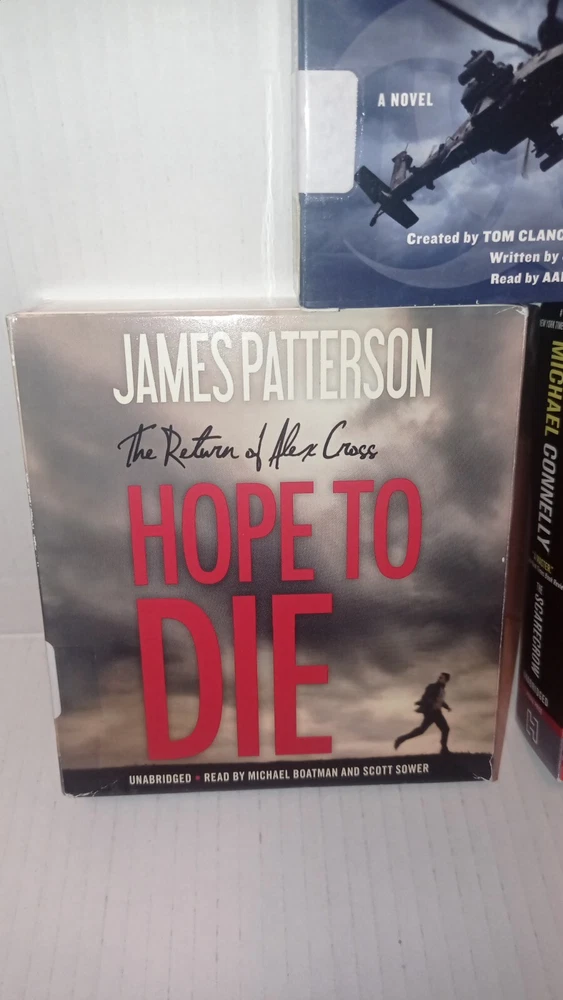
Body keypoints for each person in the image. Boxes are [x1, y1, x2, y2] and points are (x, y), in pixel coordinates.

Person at [394, 672, 451, 753]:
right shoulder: (433, 686)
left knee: (427, 730)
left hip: (436, 712)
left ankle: (401, 739)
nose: (439, 678)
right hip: (431, 712)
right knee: (441, 729)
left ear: (446, 680)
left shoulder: (442, 689)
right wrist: (425, 703)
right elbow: (426, 697)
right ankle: (400, 739)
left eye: (441, 678)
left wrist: (447, 707)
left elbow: (440, 700)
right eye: (439, 677)